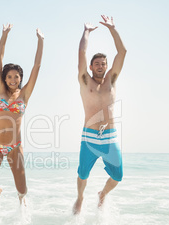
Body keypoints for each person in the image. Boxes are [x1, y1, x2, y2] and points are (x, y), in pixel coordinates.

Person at [0, 24, 44, 205]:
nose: (12, 80)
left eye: (16, 76)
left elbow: (37, 66)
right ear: (4, 78)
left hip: (14, 147)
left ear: (20, 78)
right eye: (9, 76)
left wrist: (41, 41)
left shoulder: (24, 95)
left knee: (22, 190)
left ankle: (21, 201)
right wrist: (4, 35)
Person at [73, 15, 127, 214]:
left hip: (109, 138)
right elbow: (81, 52)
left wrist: (112, 28)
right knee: (82, 174)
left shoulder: (111, 81)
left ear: (107, 66)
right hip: (89, 138)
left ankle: (102, 193)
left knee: (118, 176)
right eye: (97, 63)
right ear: (91, 66)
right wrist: (86, 32)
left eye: (103, 63)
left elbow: (122, 52)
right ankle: (80, 198)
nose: (100, 66)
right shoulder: (85, 81)